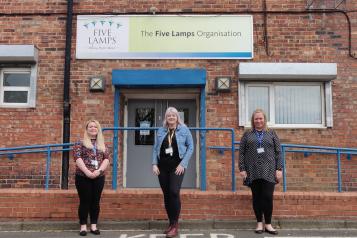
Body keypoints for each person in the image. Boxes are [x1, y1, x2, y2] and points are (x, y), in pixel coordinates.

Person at [239, 109, 283, 235]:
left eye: (261, 118)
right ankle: (259, 223)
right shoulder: (247, 134)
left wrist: (279, 169)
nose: (258, 121)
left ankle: (268, 224)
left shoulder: (272, 133)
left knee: (268, 197)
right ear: (253, 120)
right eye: (256, 119)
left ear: (265, 119)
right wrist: (242, 168)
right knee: (257, 197)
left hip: (269, 170)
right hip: (252, 170)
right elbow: (241, 153)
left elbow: (278, 152)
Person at [152, 107, 194, 238]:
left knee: (174, 192)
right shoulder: (161, 130)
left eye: (173, 115)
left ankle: (175, 225)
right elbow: (155, 148)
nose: (171, 117)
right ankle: (171, 224)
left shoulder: (184, 129)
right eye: (169, 115)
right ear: (166, 117)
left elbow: (191, 147)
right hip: (162, 167)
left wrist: (183, 164)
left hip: (177, 167)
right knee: (166, 195)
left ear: (177, 117)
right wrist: (154, 164)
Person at [73, 120, 110, 236]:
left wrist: (98, 171)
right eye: (90, 127)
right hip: (83, 176)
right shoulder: (79, 143)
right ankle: (83, 226)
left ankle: (94, 226)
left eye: (95, 127)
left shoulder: (103, 144)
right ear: (87, 129)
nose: (93, 128)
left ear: (98, 129)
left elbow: (106, 159)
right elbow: (77, 158)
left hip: (99, 177)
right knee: (85, 201)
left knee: (95, 201)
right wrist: (87, 172)